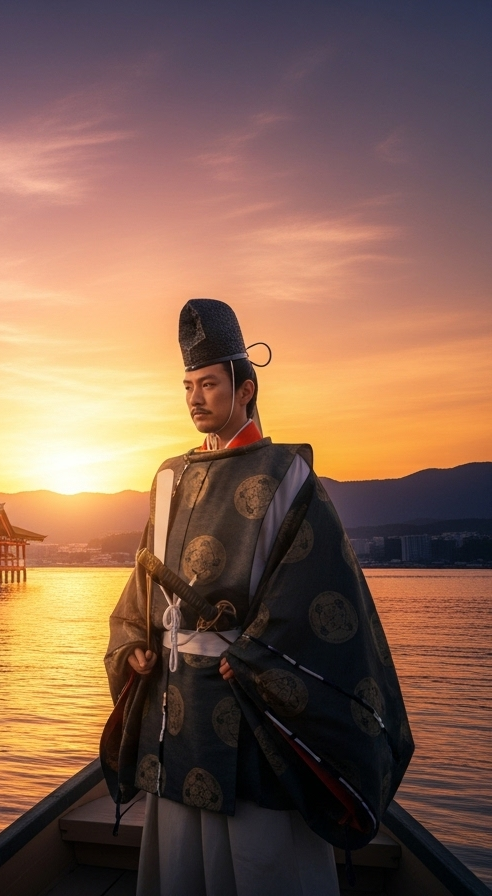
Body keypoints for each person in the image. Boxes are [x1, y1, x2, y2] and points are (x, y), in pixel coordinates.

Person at [100, 298, 413, 896]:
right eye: (188, 385)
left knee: (259, 863)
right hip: (177, 705)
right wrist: (136, 641)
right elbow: (142, 585)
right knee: (181, 866)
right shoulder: (170, 476)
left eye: (209, 384)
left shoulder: (287, 474)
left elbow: (316, 594)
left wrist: (253, 658)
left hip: (252, 703)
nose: (195, 397)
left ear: (245, 389)